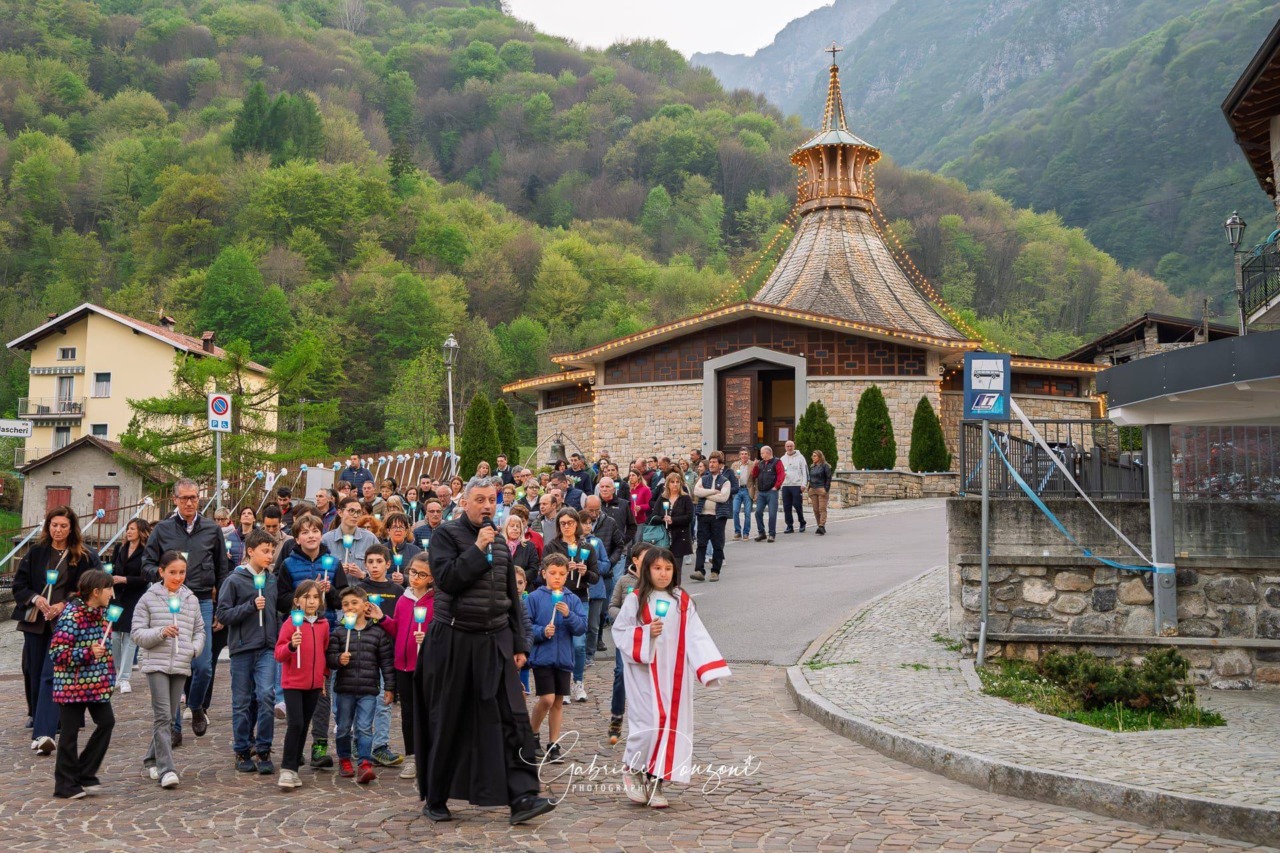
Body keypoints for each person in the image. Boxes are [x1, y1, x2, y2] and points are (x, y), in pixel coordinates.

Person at [415, 476, 554, 826]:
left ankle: (523, 796)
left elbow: (511, 597)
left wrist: (520, 642)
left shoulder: (503, 544)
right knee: (450, 717)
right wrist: (477, 549)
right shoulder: (447, 535)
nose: (487, 506)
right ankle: (436, 795)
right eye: (479, 500)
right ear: (464, 502)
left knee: (513, 717)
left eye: (491, 499)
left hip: (495, 640)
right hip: (454, 640)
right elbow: (447, 580)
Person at [611, 547, 731, 808]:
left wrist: (707, 670)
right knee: (649, 724)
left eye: (668, 568)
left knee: (670, 727)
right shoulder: (635, 599)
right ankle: (632, 768)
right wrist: (645, 633)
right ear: (647, 570)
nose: (663, 574)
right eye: (657, 568)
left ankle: (657, 782)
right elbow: (620, 632)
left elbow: (696, 636)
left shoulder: (681, 601)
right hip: (644, 674)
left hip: (674, 675)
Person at [143, 478, 230, 740]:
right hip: (170, 601)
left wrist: (220, 608)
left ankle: (196, 706)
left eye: (194, 497)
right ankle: (174, 725)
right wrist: (163, 578)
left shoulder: (212, 529)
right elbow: (146, 563)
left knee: (203, 665)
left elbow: (222, 571)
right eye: (185, 498)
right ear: (175, 500)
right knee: (174, 664)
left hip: (202, 600)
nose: (190, 502)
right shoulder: (163, 529)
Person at [14, 505, 103, 755]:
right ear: (47, 526)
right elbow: (20, 585)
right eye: (54, 525)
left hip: (67, 624)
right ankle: (44, 716)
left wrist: (64, 603)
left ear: (71, 528)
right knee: (32, 671)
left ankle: (44, 731)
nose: (58, 530)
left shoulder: (84, 556)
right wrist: (35, 599)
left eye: (63, 525)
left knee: (52, 674)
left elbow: (91, 588)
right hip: (37, 622)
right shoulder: (36, 553)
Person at [132, 551, 205, 790]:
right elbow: (137, 633)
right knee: (163, 715)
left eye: (182, 572)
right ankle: (167, 769)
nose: (178, 577)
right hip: (156, 663)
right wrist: (161, 632)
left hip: (181, 663)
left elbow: (199, 630)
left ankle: (150, 757)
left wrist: (193, 649)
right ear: (161, 572)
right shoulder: (148, 598)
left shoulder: (191, 599)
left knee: (170, 712)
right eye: (172, 572)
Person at [217, 529, 283, 775]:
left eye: (272, 551)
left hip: (267, 647)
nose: (269, 556)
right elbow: (223, 615)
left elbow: (276, 609)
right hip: (243, 648)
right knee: (242, 702)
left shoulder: (271, 579)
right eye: (265, 551)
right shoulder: (234, 580)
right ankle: (242, 749)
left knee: (266, 696)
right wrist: (249, 607)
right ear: (250, 551)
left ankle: (264, 748)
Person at [49, 569, 116, 799]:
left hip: (95, 684)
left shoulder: (102, 614)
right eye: (109, 588)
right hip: (71, 685)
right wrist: (86, 652)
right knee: (69, 734)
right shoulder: (72, 616)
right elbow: (57, 653)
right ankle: (65, 784)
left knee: (107, 722)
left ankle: (85, 773)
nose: (112, 594)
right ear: (96, 591)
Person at [327, 585, 394, 785]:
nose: (349, 607)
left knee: (365, 727)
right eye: (345, 604)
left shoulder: (377, 633)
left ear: (365, 606)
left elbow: (386, 663)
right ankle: (345, 759)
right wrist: (339, 659)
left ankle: (365, 762)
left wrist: (389, 687)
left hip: (368, 690)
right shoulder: (339, 633)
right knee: (344, 727)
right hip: (344, 690)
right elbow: (329, 658)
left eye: (354, 603)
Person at [525, 553, 586, 763]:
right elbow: (526, 627)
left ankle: (553, 744)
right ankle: (532, 735)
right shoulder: (534, 598)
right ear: (544, 574)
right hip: (543, 657)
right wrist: (542, 631)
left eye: (561, 574)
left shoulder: (572, 599)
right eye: (552, 573)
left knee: (558, 702)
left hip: (564, 658)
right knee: (547, 698)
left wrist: (569, 615)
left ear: (567, 575)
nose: (557, 577)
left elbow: (580, 628)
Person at [274, 580, 330, 790]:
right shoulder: (290, 624)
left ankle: (295, 765)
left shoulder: (324, 625)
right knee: (295, 723)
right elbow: (279, 654)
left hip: (314, 684)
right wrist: (290, 645)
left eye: (316, 597)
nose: (312, 601)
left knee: (305, 725)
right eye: (307, 597)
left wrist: (323, 677)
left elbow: (323, 652)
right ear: (297, 601)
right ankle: (287, 768)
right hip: (293, 683)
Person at [543, 508, 600, 703]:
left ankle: (578, 682)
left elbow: (595, 577)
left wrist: (584, 572)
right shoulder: (552, 546)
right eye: (563, 523)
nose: (566, 526)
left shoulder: (587, 546)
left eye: (570, 522)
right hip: (558, 597)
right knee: (560, 641)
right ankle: (563, 687)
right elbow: (545, 573)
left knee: (578, 643)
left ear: (577, 524)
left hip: (579, 598)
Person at [359, 545, 405, 768]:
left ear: (388, 564)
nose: (374, 566)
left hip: (387, 651)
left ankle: (380, 746)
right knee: (362, 701)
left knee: (384, 700)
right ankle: (359, 745)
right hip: (364, 650)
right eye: (370, 562)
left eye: (379, 561)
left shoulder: (397, 590)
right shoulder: (360, 588)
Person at [389, 553, 433, 780]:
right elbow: (397, 629)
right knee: (408, 713)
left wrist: (427, 639)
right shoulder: (403, 599)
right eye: (413, 572)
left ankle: (430, 755)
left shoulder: (435, 601)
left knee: (427, 711)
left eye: (422, 574)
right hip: (403, 666)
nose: (415, 577)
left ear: (431, 577)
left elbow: (440, 633)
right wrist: (382, 619)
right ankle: (412, 757)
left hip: (425, 665)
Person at [606, 542, 649, 745]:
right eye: (646, 558)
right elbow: (612, 606)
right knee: (621, 673)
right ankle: (616, 716)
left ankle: (645, 721)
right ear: (635, 560)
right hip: (627, 636)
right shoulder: (624, 581)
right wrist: (624, 616)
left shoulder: (656, 581)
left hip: (649, 636)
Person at [108, 518, 151, 694]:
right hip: (116, 596)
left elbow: (145, 577)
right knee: (114, 636)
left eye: (133, 529)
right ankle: (117, 672)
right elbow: (112, 568)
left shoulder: (146, 552)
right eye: (128, 529)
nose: (129, 532)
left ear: (141, 531)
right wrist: (109, 578)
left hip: (135, 597)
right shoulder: (120, 548)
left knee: (130, 637)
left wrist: (124, 579)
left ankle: (125, 677)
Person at [691, 451, 732, 583]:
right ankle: (699, 570)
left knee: (717, 544)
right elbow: (696, 491)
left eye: (715, 462)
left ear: (720, 465)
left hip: (718, 517)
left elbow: (723, 498)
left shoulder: (725, 481)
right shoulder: (703, 479)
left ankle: (715, 571)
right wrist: (713, 491)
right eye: (711, 462)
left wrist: (705, 494)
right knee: (701, 543)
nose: (712, 464)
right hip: (703, 515)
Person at [322, 496, 380, 584]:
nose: (355, 515)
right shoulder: (326, 540)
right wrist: (337, 572)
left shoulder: (370, 538)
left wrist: (363, 575)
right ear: (340, 512)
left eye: (358, 512)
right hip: (336, 594)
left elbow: (382, 569)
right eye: (351, 511)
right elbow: (318, 571)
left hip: (362, 593)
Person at [658, 473, 693, 568]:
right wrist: (663, 519)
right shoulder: (662, 498)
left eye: (678, 482)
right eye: (672, 482)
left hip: (680, 536)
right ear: (668, 484)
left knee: (676, 568)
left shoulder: (685, 498)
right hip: (664, 537)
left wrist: (673, 520)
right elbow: (653, 516)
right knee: (665, 567)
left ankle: (677, 584)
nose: (675, 484)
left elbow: (689, 517)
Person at [752, 446, 785, 543]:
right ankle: (761, 533)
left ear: (768, 452)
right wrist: (755, 466)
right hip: (762, 492)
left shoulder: (777, 462)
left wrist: (776, 486)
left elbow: (781, 475)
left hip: (772, 492)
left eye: (762, 453)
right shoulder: (761, 463)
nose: (761, 455)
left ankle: (771, 534)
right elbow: (754, 475)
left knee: (772, 514)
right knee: (758, 512)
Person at [780, 439, 809, 534]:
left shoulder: (801, 458)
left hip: (797, 485)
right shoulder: (782, 459)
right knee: (786, 506)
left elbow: (805, 471)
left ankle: (802, 522)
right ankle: (789, 525)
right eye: (787, 446)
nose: (789, 448)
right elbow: (780, 473)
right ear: (785, 447)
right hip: (786, 485)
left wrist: (804, 484)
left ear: (794, 446)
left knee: (797, 504)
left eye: (791, 446)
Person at [730, 447, 755, 541]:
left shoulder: (753, 464)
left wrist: (756, 493)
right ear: (739, 455)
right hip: (737, 490)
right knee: (735, 511)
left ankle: (746, 533)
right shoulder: (735, 465)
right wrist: (735, 478)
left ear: (749, 455)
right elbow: (731, 478)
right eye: (742, 454)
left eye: (746, 454)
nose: (744, 456)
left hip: (748, 490)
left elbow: (755, 480)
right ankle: (737, 532)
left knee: (747, 513)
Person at [808, 449, 833, 535]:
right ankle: (820, 526)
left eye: (815, 456)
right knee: (815, 509)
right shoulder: (812, 466)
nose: (813, 457)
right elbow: (810, 478)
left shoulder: (825, 466)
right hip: (813, 489)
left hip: (821, 489)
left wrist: (826, 489)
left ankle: (822, 525)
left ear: (820, 456)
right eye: (812, 456)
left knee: (822, 508)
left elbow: (828, 478)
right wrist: (809, 488)